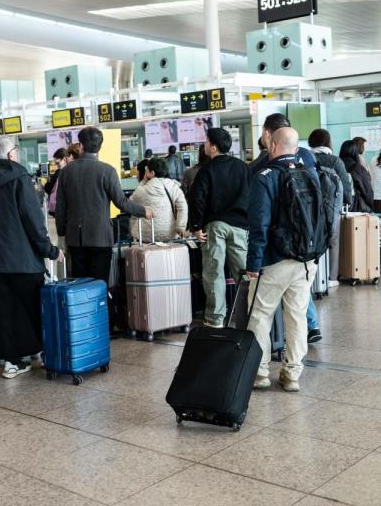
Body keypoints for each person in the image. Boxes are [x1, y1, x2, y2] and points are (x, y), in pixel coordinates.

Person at [0, 137, 62, 378]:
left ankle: (12, 361)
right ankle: (38, 353)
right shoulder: (19, 178)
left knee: (5, 311)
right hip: (23, 260)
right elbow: (33, 220)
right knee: (31, 309)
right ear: (11, 154)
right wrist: (49, 250)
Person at [245, 127, 318, 392]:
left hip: (273, 261)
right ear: (296, 149)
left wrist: (253, 264)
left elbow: (259, 226)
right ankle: (292, 375)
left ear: (272, 146)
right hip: (305, 261)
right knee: (297, 316)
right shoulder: (310, 174)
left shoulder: (265, 177)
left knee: (260, 315)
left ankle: (261, 372)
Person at [55, 127, 151, 307]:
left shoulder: (66, 172)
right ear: (99, 147)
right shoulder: (107, 171)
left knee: (79, 286)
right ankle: (101, 323)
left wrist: (62, 231)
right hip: (101, 237)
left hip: (76, 239)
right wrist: (143, 211)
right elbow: (121, 202)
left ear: (81, 145)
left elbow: (61, 207)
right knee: (99, 284)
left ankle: (83, 326)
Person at [189, 127, 250, 328]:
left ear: (213, 147)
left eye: (206, 141)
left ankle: (215, 319)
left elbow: (198, 199)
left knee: (214, 273)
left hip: (215, 226)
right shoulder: (242, 167)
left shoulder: (206, 170)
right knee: (243, 273)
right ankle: (247, 314)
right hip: (240, 226)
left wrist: (196, 226)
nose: (204, 144)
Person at [308, 129, 351, 285]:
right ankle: (331, 278)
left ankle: (314, 278)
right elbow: (345, 184)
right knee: (333, 240)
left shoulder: (306, 157)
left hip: (310, 206)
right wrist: (348, 202)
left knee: (312, 239)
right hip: (333, 205)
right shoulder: (334, 161)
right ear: (328, 142)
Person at [129, 157, 188, 242]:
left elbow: (130, 204)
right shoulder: (174, 187)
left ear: (152, 173)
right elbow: (182, 206)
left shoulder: (143, 189)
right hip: (170, 233)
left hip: (146, 236)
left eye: (147, 170)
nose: (145, 172)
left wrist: (143, 181)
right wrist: (180, 227)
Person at [340, 139, 373, 213]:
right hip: (355, 207)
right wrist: (371, 205)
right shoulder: (357, 167)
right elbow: (366, 190)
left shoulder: (337, 165)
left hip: (339, 206)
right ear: (355, 151)